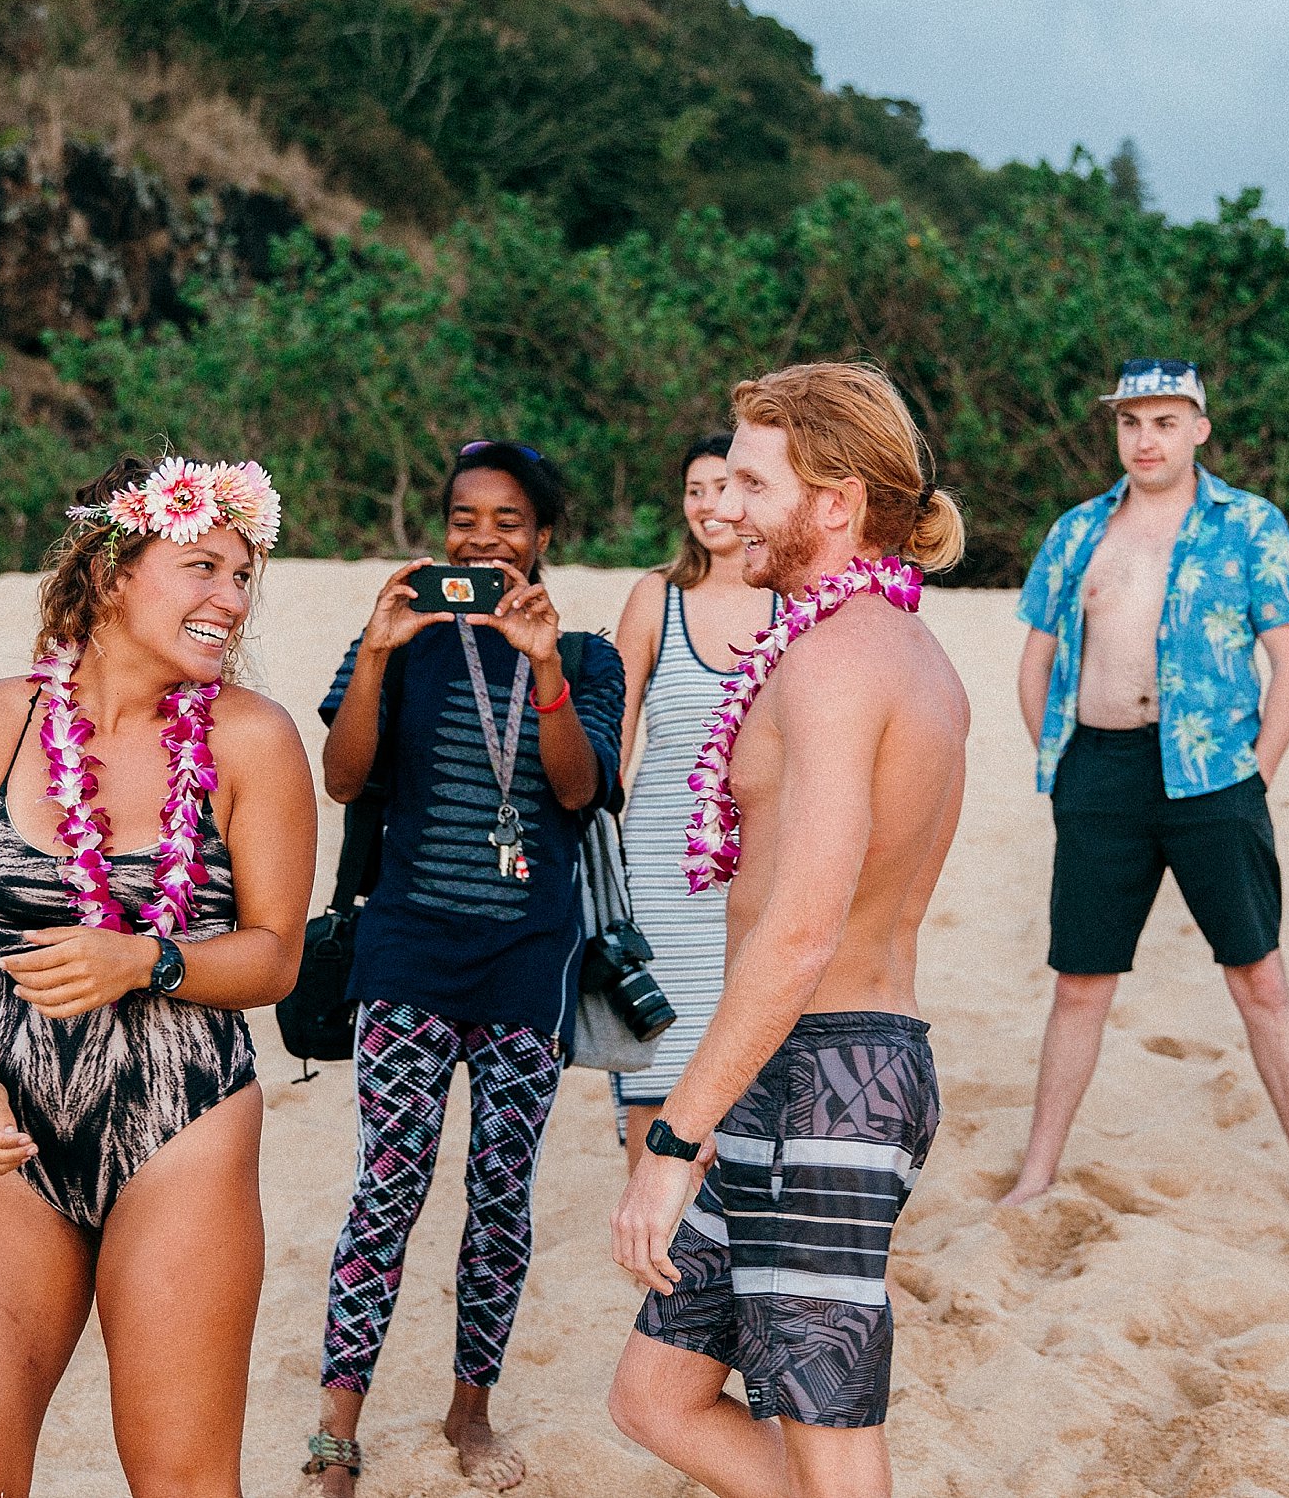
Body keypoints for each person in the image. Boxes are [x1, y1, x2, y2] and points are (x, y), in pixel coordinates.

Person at [0, 453, 317, 1495]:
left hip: (187, 1120)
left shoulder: (252, 740)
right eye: (202, 567)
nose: (231, 598)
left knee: (178, 1479)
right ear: (112, 572)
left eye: (242, 575)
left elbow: (276, 954)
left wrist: (149, 957)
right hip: (12, 1131)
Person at [608, 362, 969, 1498]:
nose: (729, 506)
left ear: (837, 502)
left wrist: (671, 1141)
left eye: (756, 482)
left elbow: (802, 927)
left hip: (836, 1072)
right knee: (653, 1394)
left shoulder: (840, 659)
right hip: (792, 1060)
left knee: (829, 1427)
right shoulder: (884, 645)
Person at [305, 440, 626, 1496]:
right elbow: (346, 776)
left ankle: (469, 1409)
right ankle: (335, 1428)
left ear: (543, 537)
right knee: (385, 1188)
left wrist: (539, 667)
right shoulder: (399, 642)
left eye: (507, 520)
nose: (481, 536)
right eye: (463, 517)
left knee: (499, 1195)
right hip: (405, 951)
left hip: (525, 961)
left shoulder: (583, 657)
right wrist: (379, 646)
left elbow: (578, 792)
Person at [998, 359, 1289, 1239]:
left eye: (1164, 420)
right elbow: (1036, 657)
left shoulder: (1249, 525)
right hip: (1100, 773)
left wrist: (1254, 774)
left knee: (1259, 977)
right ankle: (1035, 1174)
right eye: (1130, 422)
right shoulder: (1080, 529)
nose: (1145, 439)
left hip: (1213, 776)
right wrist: (1065, 762)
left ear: (1199, 426)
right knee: (1080, 983)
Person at [609, 433, 778, 1168]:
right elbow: (608, 736)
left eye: (724, 486)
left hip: (758, 863)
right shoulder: (656, 597)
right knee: (655, 1064)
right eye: (695, 490)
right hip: (656, 868)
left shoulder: (791, 598)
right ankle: (651, 1254)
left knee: (748, 1064)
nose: (710, 505)